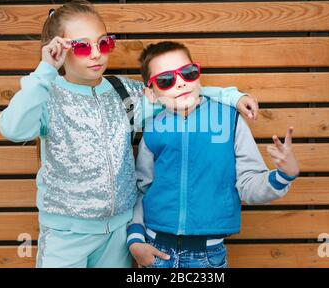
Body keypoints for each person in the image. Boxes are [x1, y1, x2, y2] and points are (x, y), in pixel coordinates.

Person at [0, 0, 259, 268]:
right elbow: (13, 129)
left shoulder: (125, 94)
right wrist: (45, 72)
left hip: (118, 233)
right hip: (66, 235)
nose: (96, 54)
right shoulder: (46, 94)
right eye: (82, 46)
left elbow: (175, 89)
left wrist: (230, 96)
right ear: (59, 50)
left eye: (104, 43)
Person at [127, 41, 300, 268]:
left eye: (188, 73)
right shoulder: (152, 129)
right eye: (166, 80)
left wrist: (283, 175)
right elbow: (141, 189)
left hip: (207, 256)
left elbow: (249, 184)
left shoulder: (230, 120)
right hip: (155, 250)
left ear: (198, 75)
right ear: (151, 93)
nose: (180, 84)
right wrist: (136, 240)